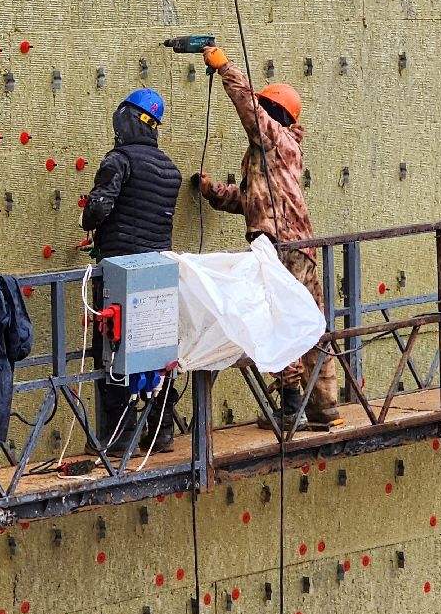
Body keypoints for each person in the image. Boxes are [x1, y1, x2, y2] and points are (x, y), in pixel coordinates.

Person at [195, 45, 342, 432]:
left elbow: (248, 107)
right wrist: (212, 192)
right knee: (310, 323)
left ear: (274, 113)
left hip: (280, 247)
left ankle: (291, 406)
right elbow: (251, 200)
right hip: (299, 246)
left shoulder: (275, 139)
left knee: (281, 321)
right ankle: (324, 405)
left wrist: (225, 68)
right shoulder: (274, 153)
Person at [80, 88, 183, 454]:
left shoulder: (119, 160)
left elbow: (98, 208)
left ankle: (119, 438)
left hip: (119, 274)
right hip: (159, 273)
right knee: (157, 352)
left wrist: (89, 223)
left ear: (125, 120)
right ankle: (161, 432)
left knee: (113, 351)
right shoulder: (170, 169)